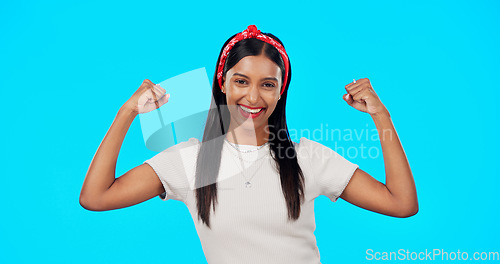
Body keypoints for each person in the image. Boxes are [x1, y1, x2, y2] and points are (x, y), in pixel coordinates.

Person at [79, 25, 418, 264]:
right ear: (222, 82)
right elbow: (96, 196)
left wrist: (381, 116)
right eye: (241, 81)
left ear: (281, 89)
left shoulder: (309, 158)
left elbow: (401, 204)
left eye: (267, 85)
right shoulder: (190, 161)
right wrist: (127, 112)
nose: (253, 97)